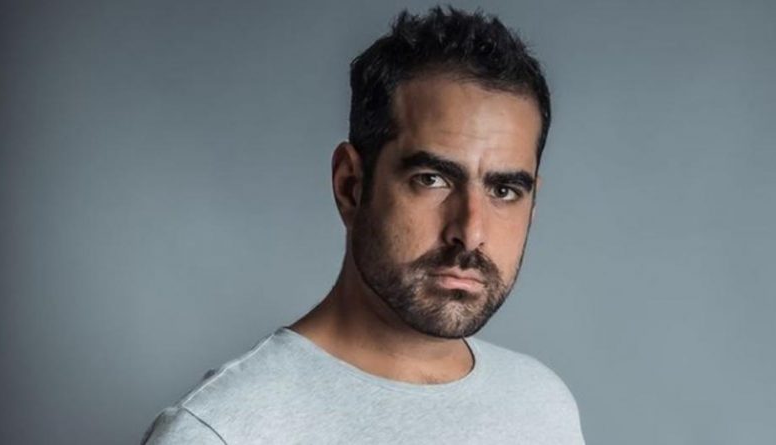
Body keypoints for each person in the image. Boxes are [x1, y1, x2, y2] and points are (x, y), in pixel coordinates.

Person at [142, 6, 585, 444]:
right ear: (351, 185)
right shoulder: (222, 430)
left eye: (504, 190)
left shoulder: (542, 402)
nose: (470, 232)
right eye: (431, 179)